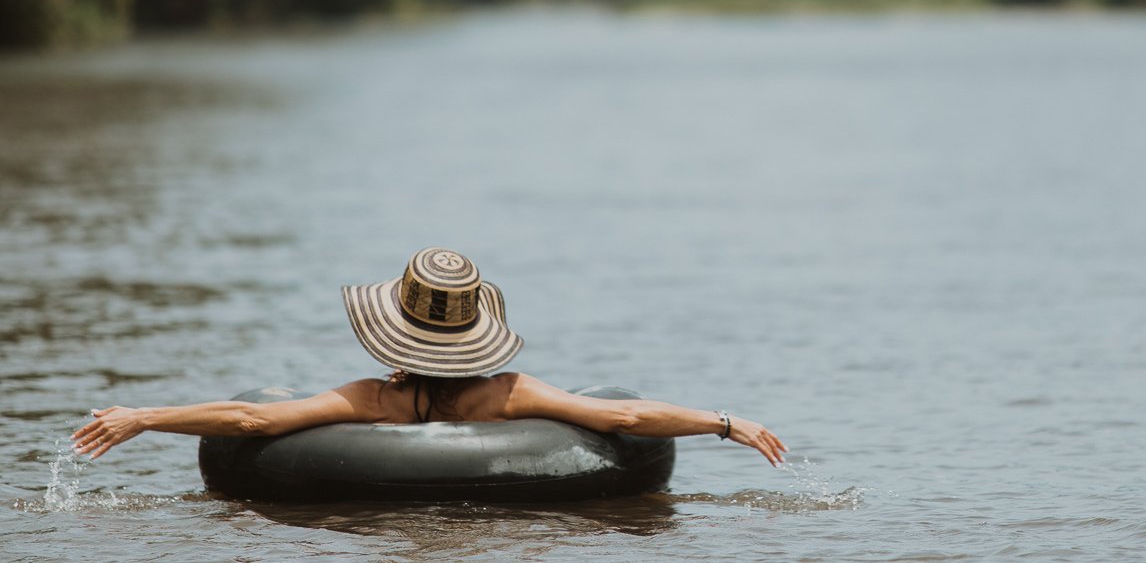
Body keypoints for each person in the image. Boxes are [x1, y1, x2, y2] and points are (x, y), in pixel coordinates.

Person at [71, 248, 787, 466]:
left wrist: (143, 415)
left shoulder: (376, 399)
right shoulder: (507, 395)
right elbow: (625, 412)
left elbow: (253, 417)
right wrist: (726, 422)